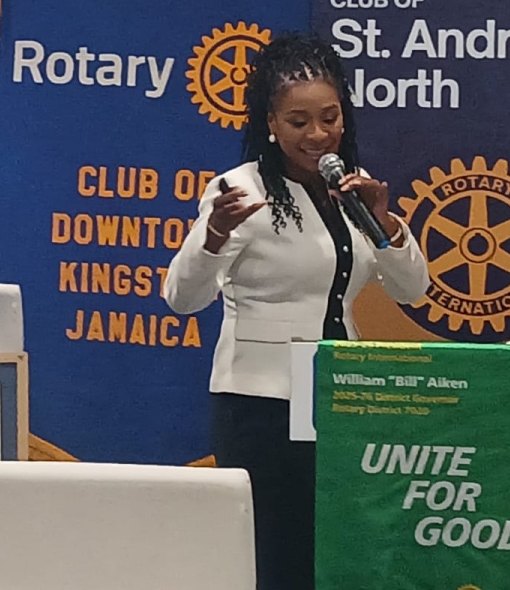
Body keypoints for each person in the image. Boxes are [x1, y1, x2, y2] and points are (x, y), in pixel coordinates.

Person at [164, 33, 428, 590]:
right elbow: (182, 300)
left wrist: (387, 226)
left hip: (340, 399)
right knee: (277, 559)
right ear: (271, 124)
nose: (318, 135)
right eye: (298, 121)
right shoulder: (239, 190)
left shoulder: (348, 190)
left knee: (333, 554)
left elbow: (413, 290)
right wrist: (212, 237)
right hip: (261, 406)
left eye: (329, 118)